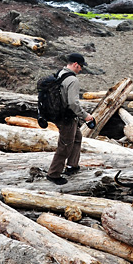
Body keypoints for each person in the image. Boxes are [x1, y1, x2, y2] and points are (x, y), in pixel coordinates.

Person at [46, 53, 95, 185]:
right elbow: (73, 103)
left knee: (77, 137)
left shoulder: (60, 73)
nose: (81, 69)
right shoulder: (72, 80)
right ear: (75, 64)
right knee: (65, 146)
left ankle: (72, 165)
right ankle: (54, 174)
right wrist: (85, 116)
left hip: (58, 114)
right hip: (66, 117)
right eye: (80, 67)